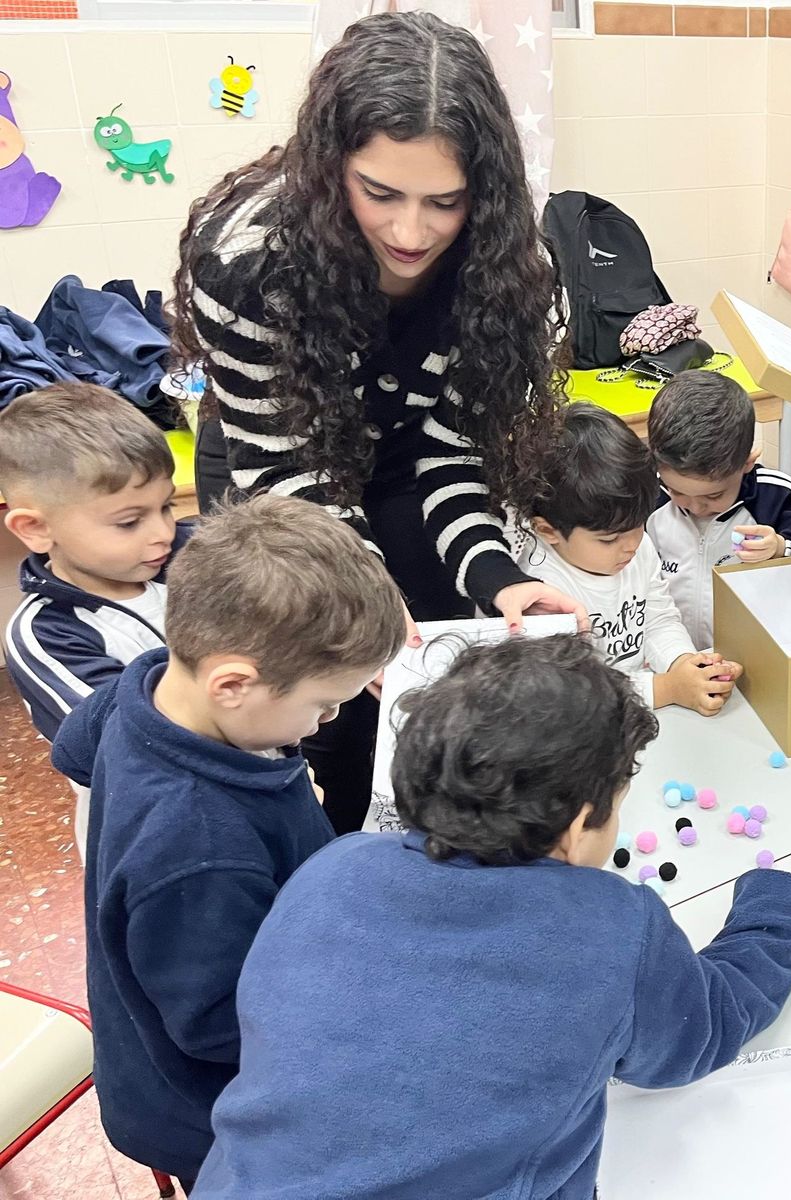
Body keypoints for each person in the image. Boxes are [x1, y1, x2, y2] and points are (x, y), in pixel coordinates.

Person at [193, 634, 791, 1199]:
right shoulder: (614, 928)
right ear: (578, 827)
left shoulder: (335, 866)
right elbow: (701, 1032)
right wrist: (777, 908)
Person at [171, 11, 582, 833]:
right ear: (332, 167)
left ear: (484, 191)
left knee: (432, 684)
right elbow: (290, 468)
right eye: (380, 192)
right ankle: (333, 859)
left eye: (445, 203)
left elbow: (448, 452)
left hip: (404, 461)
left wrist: (498, 579)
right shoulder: (246, 257)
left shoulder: (509, 275)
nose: (409, 231)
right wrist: (368, 591)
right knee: (323, 690)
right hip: (278, 465)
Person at [50, 495, 406, 1187]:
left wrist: (277, 782)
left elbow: (75, 745)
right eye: (323, 703)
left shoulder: (152, 680)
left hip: (209, 990)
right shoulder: (196, 849)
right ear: (234, 684)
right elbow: (223, 1026)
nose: (328, 720)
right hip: (212, 1114)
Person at [0, 383, 190, 854]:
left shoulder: (195, 559)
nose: (163, 532)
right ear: (36, 528)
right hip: (154, 835)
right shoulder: (45, 636)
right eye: (129, 521)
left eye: (166, 506)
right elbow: (134, 742)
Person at [516, 402, 742, 716]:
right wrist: (667, 688)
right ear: (547, 530)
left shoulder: (635, 547)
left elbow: (658, 620)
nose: (632, 545)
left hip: (642, 711)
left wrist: (686, 664)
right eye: (609, 539)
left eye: (637, 526)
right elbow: (570, 693)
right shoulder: (538, 589)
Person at [645, 369, 791, 648]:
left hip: (752, 653)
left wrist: (780, 547)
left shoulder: (777, 495)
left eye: (714, 495)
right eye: (678, 491)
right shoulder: (649, 497)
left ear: (747, 462)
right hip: (673, 654)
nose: (695, 506)